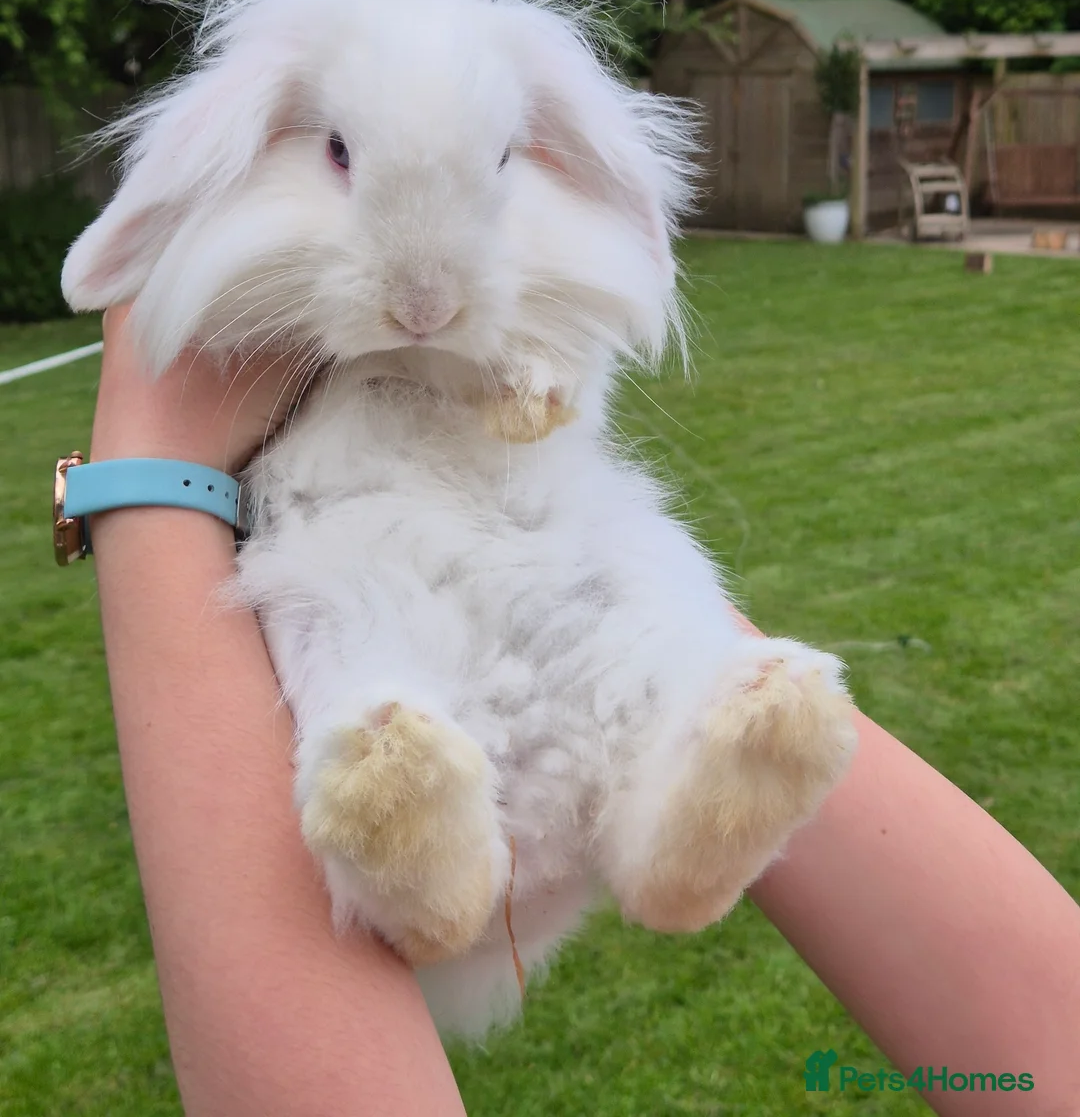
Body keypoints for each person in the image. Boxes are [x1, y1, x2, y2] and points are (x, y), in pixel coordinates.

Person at [86, 306, 1080, 1117]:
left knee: (619, 570)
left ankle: (668, 806)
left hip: (505, 517)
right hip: (376, 532)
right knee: (351, 614)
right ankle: (433, 849)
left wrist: (149, 461)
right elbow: (1045, 1053)